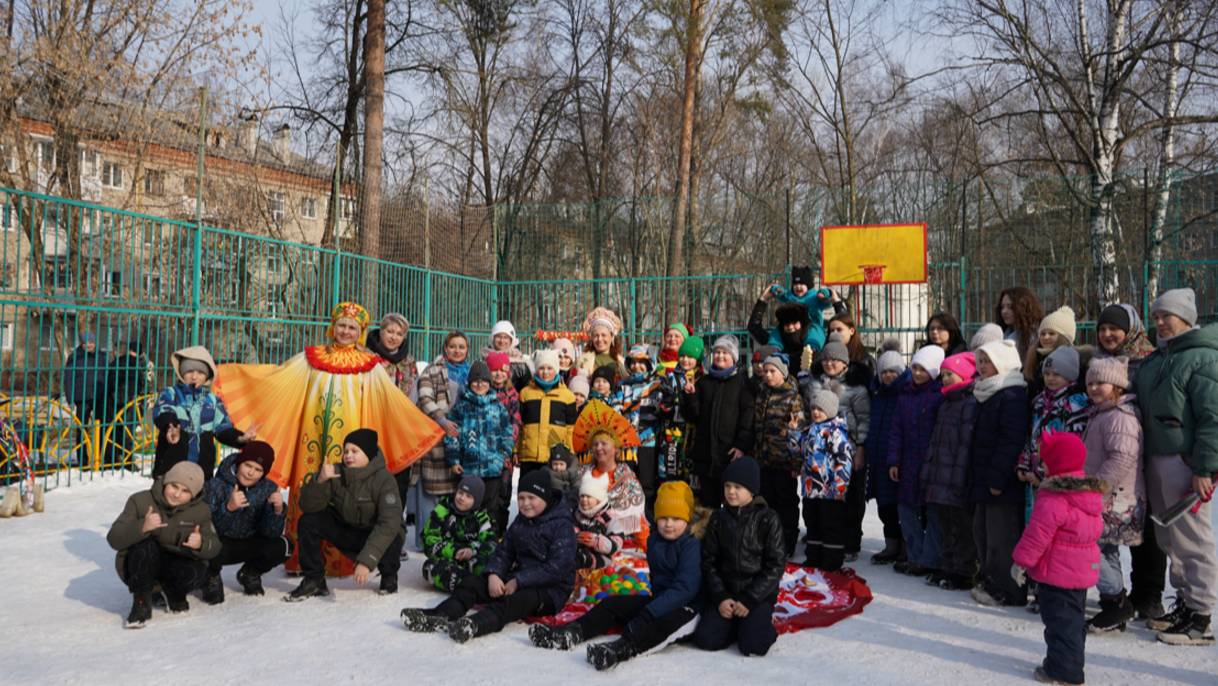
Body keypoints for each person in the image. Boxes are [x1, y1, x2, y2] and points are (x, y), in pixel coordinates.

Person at [215, 302, 442, 576]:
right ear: (332, 326)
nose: (345, 331)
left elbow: (390, 402)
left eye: (352, 328)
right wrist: (232, 376)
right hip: (310, 440)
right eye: (342, 325)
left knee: (342, 494)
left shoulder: (369, 365)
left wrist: (422, 425)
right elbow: (279, 380)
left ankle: (340, 561)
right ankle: (301, 558)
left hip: (349, 445)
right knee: (308, 490)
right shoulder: (310, 358)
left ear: (360, 332)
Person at [529, 481, 701, 670]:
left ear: (687, 519)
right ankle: (571, 632)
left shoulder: (691, 545)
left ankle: (623, 649)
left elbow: (685, 589)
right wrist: (649, 608)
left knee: (662, 625)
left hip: (689, 608)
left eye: (676, 519)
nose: (669, 524)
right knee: (614, 603)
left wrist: (649, 613)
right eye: (664, 517)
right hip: (660, 600)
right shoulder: (654, 540)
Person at [400, 469, 577, 643]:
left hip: (550, 591)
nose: (525, 503)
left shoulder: (561, 525)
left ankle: (475, 625)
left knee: (515, 602)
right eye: (521, 498)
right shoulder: (521, 521)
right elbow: (504, 551)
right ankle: (442, 615)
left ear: (545, 498)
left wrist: (519, 580)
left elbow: (558, 568)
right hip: (518, 579)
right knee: (472, 583)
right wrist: (494, 574)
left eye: (532, 498)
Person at [1134, 289, 1218, 646]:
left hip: (1184, 463)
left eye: (1166, 315)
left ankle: (1200, 615)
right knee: (1170, 538)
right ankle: (1184, 604)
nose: (1160, 322)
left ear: (1186, 317)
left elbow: (1213, 418)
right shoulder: (1158, 358)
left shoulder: (1202, 358)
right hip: (1156, 458)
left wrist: (1205, 466)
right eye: (1156, 317)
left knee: (1192, 538)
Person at [1012, 432, 1104, 686]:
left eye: (1045, 461)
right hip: (1079, 571)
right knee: (1072, 622)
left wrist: (1021, 562)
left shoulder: (1054, 499)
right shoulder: (1089, 496)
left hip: (1058, 572)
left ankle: (1064, 672)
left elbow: (1037, 536)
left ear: (1058, 464)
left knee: (1059, 624)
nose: (1042, 466)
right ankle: (1067, 663)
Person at [1093, 302, 1164, 621]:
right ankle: (1121, 593)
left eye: (1114, 328)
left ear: (1130, 330)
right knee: (1114, 529)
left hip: (1149, 451)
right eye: (1103, 329)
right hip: (1114, 455)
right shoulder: (1097, 362)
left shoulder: (1150, 361)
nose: (1108, 334)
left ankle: (1148, 595)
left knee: (1146, 531)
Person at [286, 429, 406, 600]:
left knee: (393, 535)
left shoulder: (384, 479)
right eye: (346, 451)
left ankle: (389, 575)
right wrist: (320, 481)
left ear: (368, 453)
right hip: (350, 528)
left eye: (355, 451)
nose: (348, 456)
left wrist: (366, 561)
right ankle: (314, 579)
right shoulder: (334, 472)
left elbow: (389, 523)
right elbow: (308, 506)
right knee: (309, 521)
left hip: (376, 533)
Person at [107, 462, 220, 628]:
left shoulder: (201, 510)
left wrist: (201, 543)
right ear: (166, 482)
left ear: (194, 495)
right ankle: (142, 601)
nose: (177, 494)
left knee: (197, 569)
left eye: (185, 491)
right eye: (174, 486)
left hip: (175, 561)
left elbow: (216, 546)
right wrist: (142, 527)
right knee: (144, 546)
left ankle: (174, 592)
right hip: (142, 564)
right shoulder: (140, 501)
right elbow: (114, 539)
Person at [692, 457, 785, 657]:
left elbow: (775, 566)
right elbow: (709, 562)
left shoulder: (768, 519)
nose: (731, 491)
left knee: (753, 646)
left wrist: (751, 599)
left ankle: (755, 626)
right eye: (727, 486)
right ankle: (737, 624)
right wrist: (720, 597)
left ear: (752, 490)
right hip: (727, 593)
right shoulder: (718, 518)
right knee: (706, 639)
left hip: (756, 596)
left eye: (737, 487)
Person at [1080, 356, 1144, 633]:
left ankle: (1117, 600)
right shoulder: (1104, 413)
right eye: (1090, 382)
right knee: (1106, 549)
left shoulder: (1119, 417)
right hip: (1106, 497)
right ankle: (1113, 602)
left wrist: (1097, 488)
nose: (1094, 388)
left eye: (1101, 383)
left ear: (1117, 385)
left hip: (1112, 499)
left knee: (1090, 548)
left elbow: (1121, 457)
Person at [969, 339, 1030, 607]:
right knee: (983, 532)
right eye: (979, 361)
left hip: (1001, 483)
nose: (982, 367)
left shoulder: (1012, 394)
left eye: (987, 361)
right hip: (984, 477)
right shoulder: (987, 391)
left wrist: (997, 478)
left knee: (1002, 538)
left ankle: (1009, 590)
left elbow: (1011, 441)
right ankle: (991, 581)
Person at [801, 333, 871, 561]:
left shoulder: (856, 388)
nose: (829, 363)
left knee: (849, 498)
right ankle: (820, 540)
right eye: (826, 359)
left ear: (845, 363)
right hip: (819, 452)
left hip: (846, 450)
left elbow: (864, 419)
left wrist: (860, 447)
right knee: (818, 501)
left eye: (835, 360)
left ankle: (849, 542)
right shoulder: (814, 385)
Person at [200, 441, 291, 603]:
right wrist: (229, 508)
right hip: (220, 545)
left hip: (248, 542)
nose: (251, 473)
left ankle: (250, 572)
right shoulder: (215, 485)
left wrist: (276, 511)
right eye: (248, 465)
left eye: (258, 470)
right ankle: (211, 576)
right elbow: (208, 527)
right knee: (208, 542)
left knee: (284, 546)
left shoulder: (268, 488)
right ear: (239, 463)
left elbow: (270, 533)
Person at [921, 352, 980, 590]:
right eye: (943, 374)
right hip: (940, 476)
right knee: (945, 526)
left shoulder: (969, 403)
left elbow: (965, 445)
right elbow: (935, 441)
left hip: (956, 478)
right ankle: (947, 566)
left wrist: (959, 478)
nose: (944, 379)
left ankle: (964, 571)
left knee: (961, 528)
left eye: (950, 374)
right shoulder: (946, 403)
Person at [152, 346, 254, 481]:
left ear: (207, 375)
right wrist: (170, 426)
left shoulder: (213, 400)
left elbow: (222, 427)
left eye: (200, 372)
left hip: (202, 470)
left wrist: (240, 438)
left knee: (200, 500)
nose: (194, 376)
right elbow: (163, 410)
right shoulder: (171, 393)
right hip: (171, 467)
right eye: (189, 371)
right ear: (182, 373)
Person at [888, 345, 945, 577]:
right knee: (907, 509)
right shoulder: (905, 396)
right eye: (915, 368)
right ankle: (915, 555)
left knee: (932, 512)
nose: (918, 373)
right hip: (907, 461)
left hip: (931, 462)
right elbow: (896, 430)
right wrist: (894, 460)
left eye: (923, 369)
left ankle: (930, 559)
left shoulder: (939, 396)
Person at [681, 336, 755, 508]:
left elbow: (748, 417)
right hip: (706, 456)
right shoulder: (704, 382)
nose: (720, 356)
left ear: (734, 358)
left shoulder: (742, 383)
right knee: (707, 504)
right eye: (717, 352)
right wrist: (690, 396)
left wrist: (741, 445)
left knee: (732, 502)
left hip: (729, 455)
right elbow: (693, 417)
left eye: (725, 353)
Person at [444, 360, 514, 533]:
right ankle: (467, 537)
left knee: (491, 507)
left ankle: (490, 540)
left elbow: (507, 432)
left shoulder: (498, 407)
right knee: (469, 506)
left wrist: (504, 454)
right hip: (469, 468)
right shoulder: (461, 408)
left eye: (483, 381)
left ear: (489, 383)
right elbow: (451, 435)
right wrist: (453, 459)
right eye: (475, 381)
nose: (479, 384)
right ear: (469, 383)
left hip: (493, 468)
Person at [789, 390, 855, 571]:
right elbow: (797, 450)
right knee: (813, 523)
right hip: (811, 489)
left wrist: (840, 485)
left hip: (831, 492)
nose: (816, 412)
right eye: (814, 408)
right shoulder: (809, 430)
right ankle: (814, 557)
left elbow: (844, 460)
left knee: (831, 526)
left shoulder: (836, 432)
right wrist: (793, 433)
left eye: (821, 409)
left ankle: (832, 561)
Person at [414, 331, 472, 538]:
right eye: (453, 346)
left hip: (462, 443)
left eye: (461, 347)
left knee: (457, 494)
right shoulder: (433, 370)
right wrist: (443, 421)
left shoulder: (471, 373)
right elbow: (425, 398)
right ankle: (426, 538)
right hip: (436, 441)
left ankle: (451, 537)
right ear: (445, 348)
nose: (457, 351)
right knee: (431, 494)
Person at [574, 400, 649, 548]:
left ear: (616, 449)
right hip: (583, 540)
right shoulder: (583, 473)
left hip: (621, 543)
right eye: (595, 444)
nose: (598, 448)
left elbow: (636, 520)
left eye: (604, 444)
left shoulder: (627, 479)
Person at [752, 352, 805, 556]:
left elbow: (798, 432)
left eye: (772, 371)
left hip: (784, 462)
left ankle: (787, 543)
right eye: (765, 371)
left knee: (786, 505)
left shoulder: (793, 397)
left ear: (782, 373)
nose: (767, 375)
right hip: (764, 460)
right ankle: (767, 542)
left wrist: (796, 463)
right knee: (766, 503)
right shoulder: (762, 393)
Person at [1017, 346, 1088, 486]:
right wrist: (1023, 463)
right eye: (1047, 374)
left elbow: (1071, 446)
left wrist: (1043, 474)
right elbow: (1030, 434)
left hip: (1057, 477)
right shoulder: (1039, 401)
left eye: (1056, 374)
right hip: (1033, 474)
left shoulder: (1076, 404)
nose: (1050, 379)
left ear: (1069, 376)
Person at [614, 344, 670, 513]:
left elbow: (665, 409)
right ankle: (626, 515)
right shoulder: (622, 386)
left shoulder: (657, 385)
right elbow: (615, 410)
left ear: (650, 363)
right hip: (626, 443)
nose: (636, 366)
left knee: (647, 481)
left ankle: (647, 516)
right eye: (632, 362)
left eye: (641, 362)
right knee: (625, 480)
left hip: (649, 442)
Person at [867, 343, 909, 564]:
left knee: (899, 505)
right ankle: (891, 543)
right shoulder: (877, 394)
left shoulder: (904, 394)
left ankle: (905, 545)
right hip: (878, 459)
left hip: (897, 461)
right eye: (884, 371)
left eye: (893, 371)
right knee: (884, 506)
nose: (888, 375)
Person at [421, 475, 497, 593]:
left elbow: (491, 542)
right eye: (460, 493)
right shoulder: (441, 511)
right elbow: (429, 542)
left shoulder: (481, 516)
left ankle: (472, 585)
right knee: (429, 568)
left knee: (490, 565)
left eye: (468, 496)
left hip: (471, 561)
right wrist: (455, 551)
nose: (462, 498)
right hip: (448, 560)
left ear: (476, 500)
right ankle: (473, 587)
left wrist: (472, 550)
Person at [751, 266, 845, 354]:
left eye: (802, 284)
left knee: (815, 332)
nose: (798, 287)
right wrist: (772, 292)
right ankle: (774, 347)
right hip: (782, 356)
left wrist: (828, 295)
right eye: (796, 284)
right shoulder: (790, 297)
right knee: (777, 333)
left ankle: (812, 347)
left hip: (812, 326)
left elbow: (844, 327)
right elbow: (781, 293)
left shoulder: (813, 298)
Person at [516, 348, 579, 475]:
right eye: (541, 368)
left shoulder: (567, 396)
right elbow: (518, 426)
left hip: (555, 459)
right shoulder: (525, 393)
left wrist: (570, 454)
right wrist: (515, 450)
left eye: (550, 368)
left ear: (556, 370)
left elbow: (570, 429)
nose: (545, 372)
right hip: (529, 456)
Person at [99, 340, 149, 469]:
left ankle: (111, 460)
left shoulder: (118, 362)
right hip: (129, 401)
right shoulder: (139, 365)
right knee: (127, 432)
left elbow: (109, 380)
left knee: (112, 431)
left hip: (113, 400)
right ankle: (127, 461)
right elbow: (142, 385)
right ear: (140, 352)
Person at [487, 350, 522, 533]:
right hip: (484, 454)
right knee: (487, 496)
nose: (498, 373)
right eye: (494, 370)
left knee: (503, 495)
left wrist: (508, 446)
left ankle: (500, 533)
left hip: (504, 456)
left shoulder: (512, 395)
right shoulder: (483, 391)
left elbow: (515, 422)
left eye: (502, 370)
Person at [573, 471, 623, 569]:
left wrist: (597, 541)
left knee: (595, 560)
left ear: (599, 499)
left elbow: (617, 543)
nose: (584, 500)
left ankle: (585, 562)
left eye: (588, 496)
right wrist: (576, 535)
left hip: (603, 555)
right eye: (582, 496)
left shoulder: (609, 516)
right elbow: (571, 527)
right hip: (579, 549)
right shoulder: (577, 513)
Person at [365, 312, 419, 401]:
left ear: (404, 337)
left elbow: (413, 392)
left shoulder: (409, 361)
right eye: (390, 332)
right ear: (381, 332)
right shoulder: (367, 357)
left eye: (399, 334)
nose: (394, 337)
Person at [1024, 306, 1077, 396]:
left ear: (1064, 337)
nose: (1046, 337)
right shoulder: (1034, 357)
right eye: (1042, 333)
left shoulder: (1073, 361)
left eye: (1051, 333)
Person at [61, 331, 102, 430]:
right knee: (82, 426)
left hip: (99, 396)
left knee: (100, 425)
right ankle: (81, 445)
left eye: (91, 342)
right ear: (82, 344)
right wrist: (70, 399)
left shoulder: (101, 356)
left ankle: (101, 445)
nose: (89, 345)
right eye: (86, 343)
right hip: (82, 397)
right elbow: (69, 379)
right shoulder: (75, 357)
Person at [995, 286, 1044, 361]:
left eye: (1010, 307)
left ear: (1024, 307)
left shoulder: (1036, 334)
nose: (1004, 311)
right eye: (1002, 307)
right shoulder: (1003, 333)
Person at [576, 307, 626, 379]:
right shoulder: (582, 361)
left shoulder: (621, 362)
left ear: (612, 337)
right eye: (596, 335)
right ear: (592, 338)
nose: (599, 339)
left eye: (603, 335)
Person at [484, 320, 532, 390]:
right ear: (492, 338)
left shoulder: (521, 364)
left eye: (506, 337)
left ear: (511, 340)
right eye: (498, 337)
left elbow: (526, 390)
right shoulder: (484, 360)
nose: (502, 341)